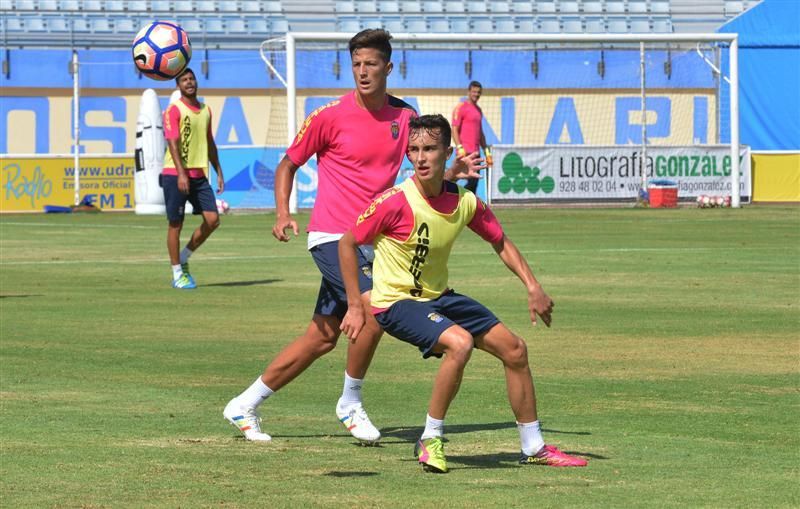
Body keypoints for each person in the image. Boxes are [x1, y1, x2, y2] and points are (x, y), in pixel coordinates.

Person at [223, 30, 483, 443]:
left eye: (371, 64)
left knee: (322, 337)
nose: (363, 72)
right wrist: (283, 213)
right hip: (331, 234)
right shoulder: (329, 116)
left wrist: (450, 174)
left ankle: (243, 405)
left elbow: (418, 168)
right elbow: (287, 165)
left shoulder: (405, 117)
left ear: (388, 68)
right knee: (371, 305)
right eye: (357, 64)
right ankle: (350, 400)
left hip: (372, 240)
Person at [338, 114, 588, 472]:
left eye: (429, 149)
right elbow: (347, 244)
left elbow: (500, 241)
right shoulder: (394, 201)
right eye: (414, 150)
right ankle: (431, 439)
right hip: (396, 302)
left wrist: (533, 286)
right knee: (460, 342)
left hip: (439, 296)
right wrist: (354, 305)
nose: (420, 157)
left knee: (515, 350)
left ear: (447, 152)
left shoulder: (464, 201)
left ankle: (533, 446)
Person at [161, 67, 224, 290]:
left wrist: (218, 171)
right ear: (178, 86)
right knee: (175, 224)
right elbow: (172, 143)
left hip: (199, 175)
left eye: (191, 78)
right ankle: (177, 272)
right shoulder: (173, 110)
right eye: (184, 80)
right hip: (174, 174)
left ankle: (185, 256)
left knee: (212, 220)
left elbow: (210, 142)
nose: (189, 82)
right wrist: (180, 173)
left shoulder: (205, 110)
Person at [451, 80, 492, 194]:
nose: (476, 94)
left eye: (478, 92)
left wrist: (487, 152)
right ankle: (449, 201)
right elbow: (454, 129)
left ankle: (466, 205)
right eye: (474, 92)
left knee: (474, 182)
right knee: (455, 178)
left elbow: (480, 133)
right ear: (469, 92)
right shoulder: (461, 107)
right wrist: (459, 147)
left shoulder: (479, 110)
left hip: (476, 153)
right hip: (464, 153)